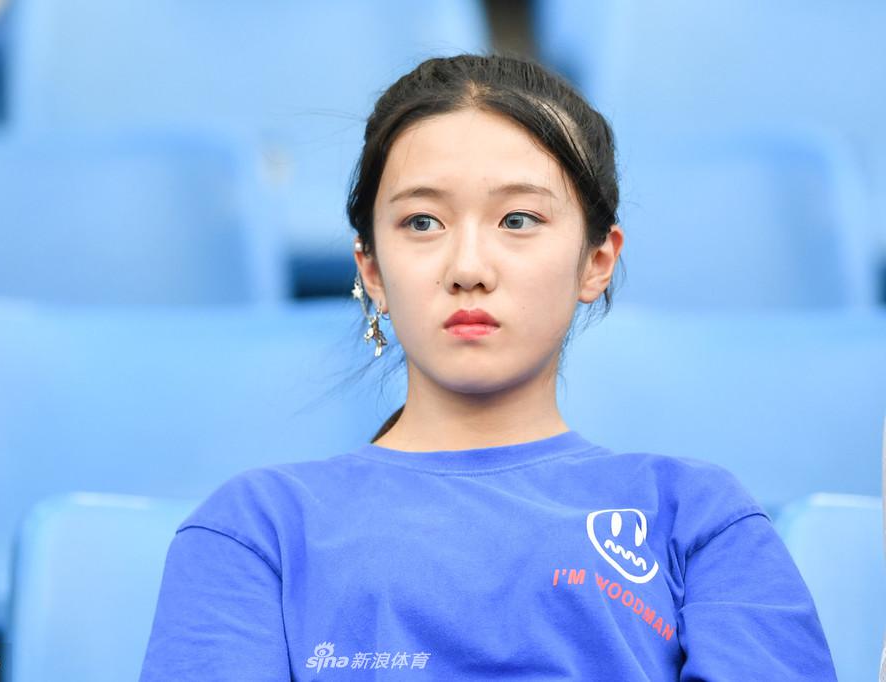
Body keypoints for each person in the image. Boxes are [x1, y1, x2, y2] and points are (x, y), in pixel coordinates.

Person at [139, 53, 837, 680]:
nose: (468, 268)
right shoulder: (255, 530)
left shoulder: (697, 515)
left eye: (518, 220)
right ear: (372, 270)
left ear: (596, 261)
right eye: (422, 223)